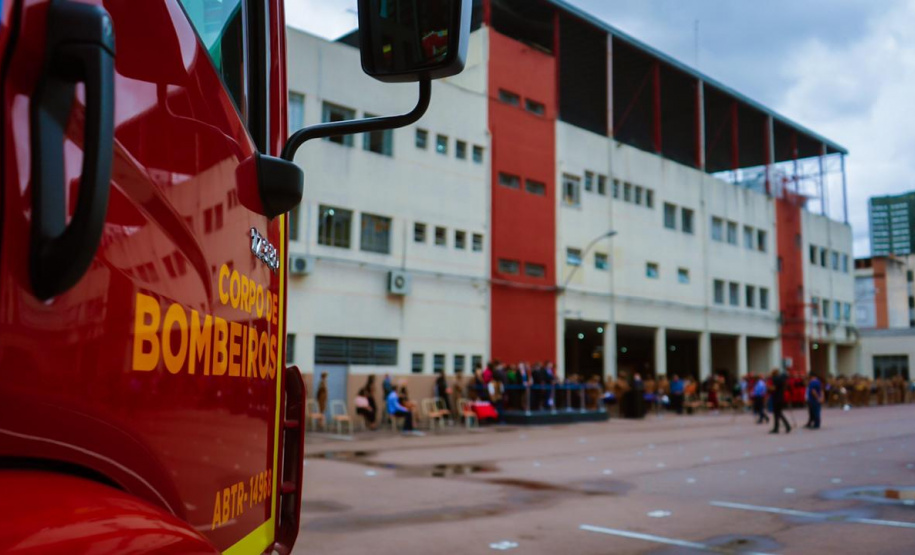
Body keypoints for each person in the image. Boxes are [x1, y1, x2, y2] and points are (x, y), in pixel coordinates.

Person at [769, 369, 791, 434]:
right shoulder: (781, 379)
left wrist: (768, 388)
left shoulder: (775, 379)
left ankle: (786, 426)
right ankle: (777, 427)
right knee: (778, 413)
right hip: (781, 397)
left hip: (776, 397)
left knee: (778, 413)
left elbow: (773, 388)